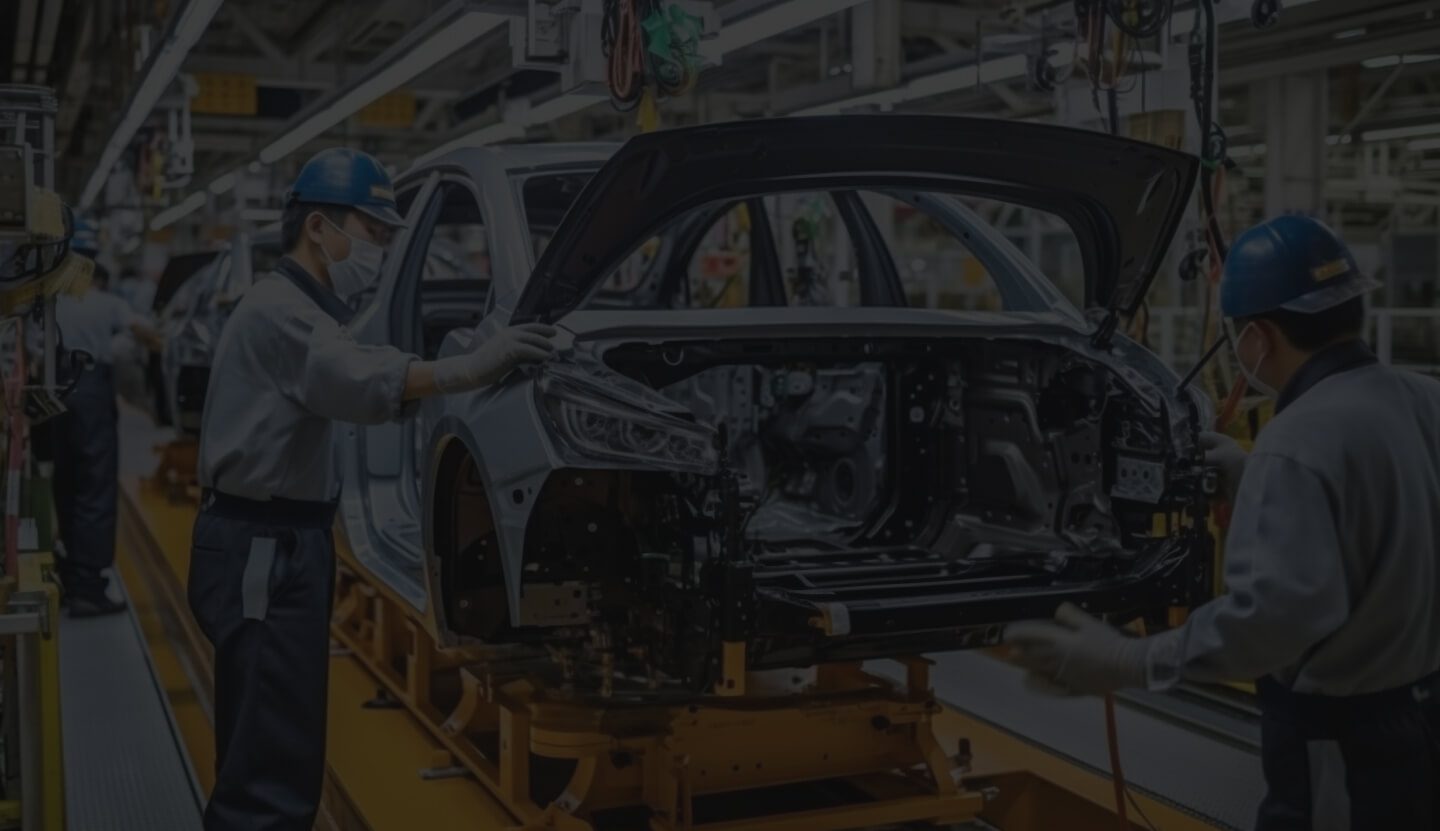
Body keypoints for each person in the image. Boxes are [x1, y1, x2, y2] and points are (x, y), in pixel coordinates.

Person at [1006, 215, 1440, 829]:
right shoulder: (1424, 398)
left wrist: (1131, 660)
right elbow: (1386, 516)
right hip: (1423, 712)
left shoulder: (1297, 440)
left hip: (1343, 740)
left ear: (1259, 336)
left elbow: (1272, 621)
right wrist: (1253, 479)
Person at [186, 147, 558, 831]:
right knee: (268, 741)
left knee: (283, 728)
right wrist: (472, 366)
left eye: (389, 237)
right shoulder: (281, 312)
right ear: (320, 226)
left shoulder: (303, 307)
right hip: (261, 546)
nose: (381, 249)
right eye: (374, 232)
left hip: (278, 540)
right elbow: (353, 376)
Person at [53, 259, 162, 616]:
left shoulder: (51, 300)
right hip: (90, 389)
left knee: (65, 481)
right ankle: (88, 586)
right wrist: (166, 341)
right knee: (95, 486)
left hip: (54, 389)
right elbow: (143, 331)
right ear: (96, 275)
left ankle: (69, 572)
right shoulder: (106, 302)